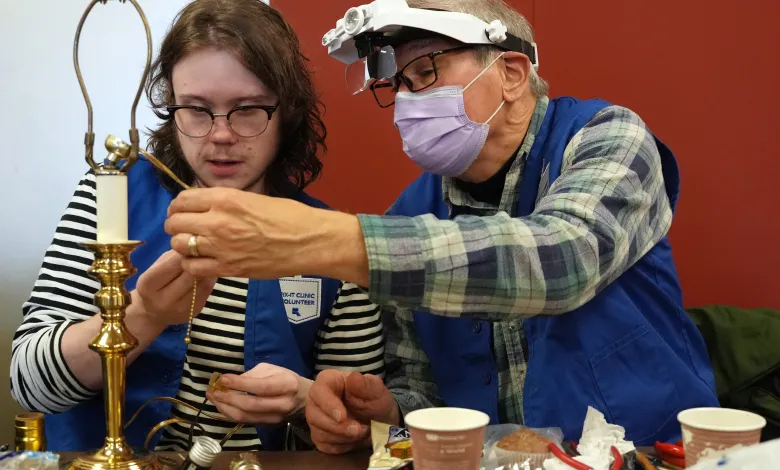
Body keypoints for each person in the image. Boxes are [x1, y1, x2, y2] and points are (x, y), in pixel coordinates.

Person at [162, 0, 720, 453]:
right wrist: (384, 415)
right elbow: (423, 401)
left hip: (652, 455)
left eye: (425, 72)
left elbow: (562, 260)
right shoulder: (411, 215)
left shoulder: (605, 139)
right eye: (398, 84)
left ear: (510, 72)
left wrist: (322, 239)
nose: (407, 99)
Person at [10, 0, 383, 453]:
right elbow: (30, 386)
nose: (220, 135)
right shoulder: (111, 200)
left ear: (286, 111)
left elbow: (369, 435)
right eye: (197, 109)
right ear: (171, 107)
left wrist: (306, 404)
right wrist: (143, 316)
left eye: (247, 109)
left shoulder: (330, 240)